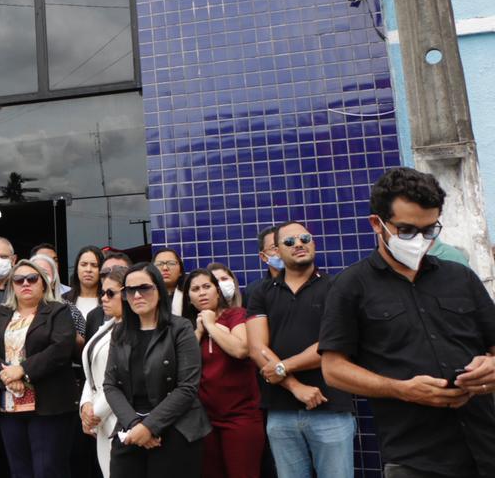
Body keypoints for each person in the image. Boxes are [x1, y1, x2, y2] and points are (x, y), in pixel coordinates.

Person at [320, 167, 495, 478]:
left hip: (486, 442)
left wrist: (491, 368)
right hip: (415, 458)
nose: (420, 241)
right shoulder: (350, 286)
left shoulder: (461, 277)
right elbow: (333, 369)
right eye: (407, 231)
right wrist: (400, 389)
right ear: (377, 224)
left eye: (429, 231)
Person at [245, 222, 355, 478]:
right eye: (289, 242)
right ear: (276, 251)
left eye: (305, 238)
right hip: (280, 412)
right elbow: (257, 347)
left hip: (330, 409)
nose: (299, 244)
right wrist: (295, 386)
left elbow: (333, 344)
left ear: (313, 243)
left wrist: (282, 367)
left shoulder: (337, 287)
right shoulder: (261, 293)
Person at [103, 263, 210, 476]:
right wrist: (135, 424)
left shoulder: (180, 328)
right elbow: (110, 385)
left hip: (176, 427)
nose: (137, 295)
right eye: (130, 290)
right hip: (131, 428)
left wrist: (149, 426)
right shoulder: (119, 332)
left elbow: (187, 387)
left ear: (159, 290)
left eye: (144, 288)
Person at [0, 258, 77, 477]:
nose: (25, 283)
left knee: (48, 469)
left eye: (32, 279)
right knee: (19, 470)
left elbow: (60, 348)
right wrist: (7, 376)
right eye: (19, 280)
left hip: (48, 405)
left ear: (43, 283)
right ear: (12, 286)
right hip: (9, 405)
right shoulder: (1, 312)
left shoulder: (58, 311)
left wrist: (22, 370)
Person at [185, 268, 263, 478]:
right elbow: (183, 365)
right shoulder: (187, 327)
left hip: (241, 416)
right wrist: (199, 331)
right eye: (195, 289)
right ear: (189, 298)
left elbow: (240, 349)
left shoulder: (235, 315)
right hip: (205, 420)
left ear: (218, 292)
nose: (202, 292)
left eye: (207, 286)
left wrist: (211, 325)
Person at [79, 267, 127, 478]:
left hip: (119, 418)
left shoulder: (133, 331)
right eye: (102, 293)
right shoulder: (108, 325)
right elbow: (91, 371)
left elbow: (119, 379)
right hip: (99, 419)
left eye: (110, 293)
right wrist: (85, 405)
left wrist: (94, 414)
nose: (103, 298)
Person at [85, 251, 133, 341]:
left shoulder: (143, 318)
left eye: (118, 271)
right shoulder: (93, 316)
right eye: (105, 272)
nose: (110, 276)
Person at [67, 246, 104, 313]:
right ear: (77, 269)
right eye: (83, 265)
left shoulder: (108, 300)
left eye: (94, 265)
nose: (88, 269)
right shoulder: (63, 300)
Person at [152, 247, 187, 315]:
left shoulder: (189, 295)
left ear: (180, 271)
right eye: (159, 264)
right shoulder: (146, 297)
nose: (165, 268)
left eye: (171, 263)